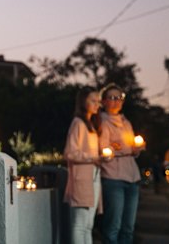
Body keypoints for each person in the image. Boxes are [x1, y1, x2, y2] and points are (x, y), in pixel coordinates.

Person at [98, 83, 143, 244]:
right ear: (103, 101)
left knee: (128, 227)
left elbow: (127, 147)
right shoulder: (102, 122)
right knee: (113, 226)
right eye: (112, 98)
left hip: (132, 177)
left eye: (119, 97)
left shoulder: (126, 122)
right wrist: (121, 150)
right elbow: (104, 151)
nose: (116, 101)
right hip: (113, 177)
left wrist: (135, 149)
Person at [64, 86, 103, 244]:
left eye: (98, 101)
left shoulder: (91, 125)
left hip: (93, 178)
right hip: (82, 179)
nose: (97, 104)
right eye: (93, 101)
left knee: (88, 225)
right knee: (79, 224)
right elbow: (70, 153)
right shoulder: (78, 123)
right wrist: (92, 157)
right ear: (83, 101)